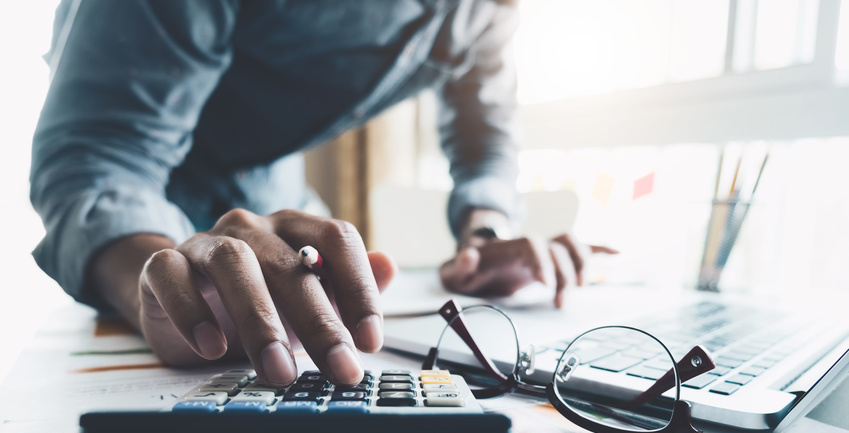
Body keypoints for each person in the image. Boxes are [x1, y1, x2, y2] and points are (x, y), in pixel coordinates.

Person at [30, 0, 612, 388]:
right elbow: (97, 155)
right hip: (145, 229)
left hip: (272, 205)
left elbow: (486, 141)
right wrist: (152, 286)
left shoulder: (489, 11)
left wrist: (484, 234)